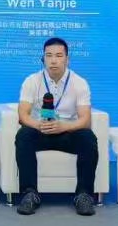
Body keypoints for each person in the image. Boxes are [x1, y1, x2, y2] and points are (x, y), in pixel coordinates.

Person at [14, 37, 98, 216]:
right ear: (42, 58)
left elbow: (85, 120)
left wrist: (64, 126)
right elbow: (23, 115)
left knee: (88, 137)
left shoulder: (79, 83)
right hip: (40, 131)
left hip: (67, 132)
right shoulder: (32, 81)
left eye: (59, 56)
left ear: (67, 59)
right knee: (23, 135)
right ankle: (29, 194)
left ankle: (84, 195)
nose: (53, 60)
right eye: (49, 55)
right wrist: (38, 125)